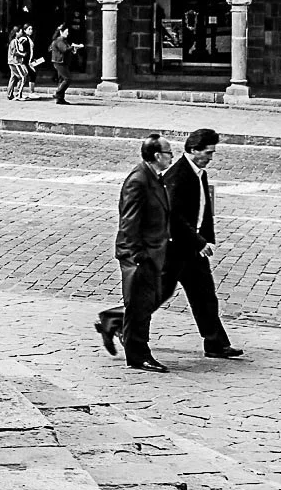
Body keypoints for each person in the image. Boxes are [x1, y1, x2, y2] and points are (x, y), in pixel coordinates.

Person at [158, 128, 243, 359]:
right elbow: (174, 217)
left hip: (192, 249)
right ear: (194, 150)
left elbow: (204, 210)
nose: (211, 157)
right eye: (208, 152)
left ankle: (215, 343)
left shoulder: (199, 173)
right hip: (174, 249)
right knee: (157, 294)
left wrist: (208, 239)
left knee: (205, 295)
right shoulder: (177, 176)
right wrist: (199, 242)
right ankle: (119, 322)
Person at [93, 133, 174, 372]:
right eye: (169, 153)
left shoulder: (154, 177)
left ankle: (119, 330)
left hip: (151, 253)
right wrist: (140, 256)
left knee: (145, 303)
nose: (171, 157)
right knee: (139, 306)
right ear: (158, 155)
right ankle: (138, 355)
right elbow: (129, 223)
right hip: (138, 256)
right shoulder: (139, 180)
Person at [49, 22, 77, 104]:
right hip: (59, 62)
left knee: (61, 79)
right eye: (66, 32)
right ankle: (57, 93)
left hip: (62, 61)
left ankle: (60, 99)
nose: (67, 34)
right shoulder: (59, 40)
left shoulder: (63, 40)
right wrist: (73, 47)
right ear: (61, 32)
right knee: (67, 79)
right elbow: (64, 49)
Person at [6, 23, 33, 101]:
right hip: (15, 62)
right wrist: (23, 55)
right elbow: (16, 52)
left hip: (13, 61)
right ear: (16, 33)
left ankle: (9, 94)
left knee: (13, 78)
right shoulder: (14, 41)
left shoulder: (15, 41)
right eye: (20, 32)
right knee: (23, 77)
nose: (21, 33)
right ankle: (19, 94)